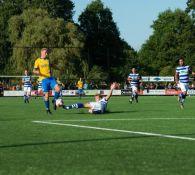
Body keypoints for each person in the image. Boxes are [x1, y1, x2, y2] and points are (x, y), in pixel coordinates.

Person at [33, 48, 61, 114]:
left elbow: (52, 65)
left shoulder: (48, 60)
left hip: (50, 78)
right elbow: (34, 70)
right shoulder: (37, 61)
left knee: (58, 89)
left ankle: (54, 100)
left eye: (47, 52)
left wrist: (58, 68)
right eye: (45, 52)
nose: (46, 54)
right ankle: (47, 109)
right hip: (44, 80)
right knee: (46, 95)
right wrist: (38, 72)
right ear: (42, 52)